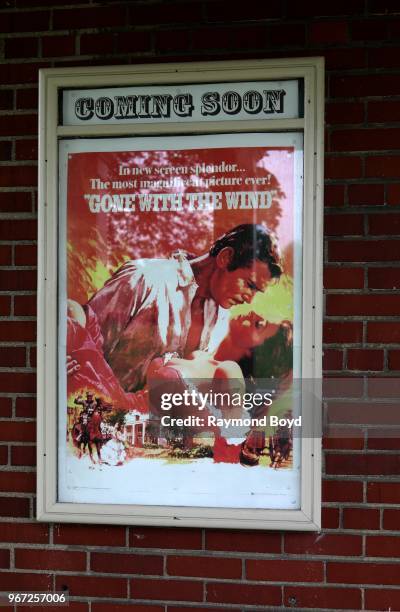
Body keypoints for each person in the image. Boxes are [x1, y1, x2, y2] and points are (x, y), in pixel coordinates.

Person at [85, 223, 282, 393]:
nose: (250, 300)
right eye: (249, 285)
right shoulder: (144, 278)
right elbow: (82, 346)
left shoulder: (221, 318)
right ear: (226, 258)